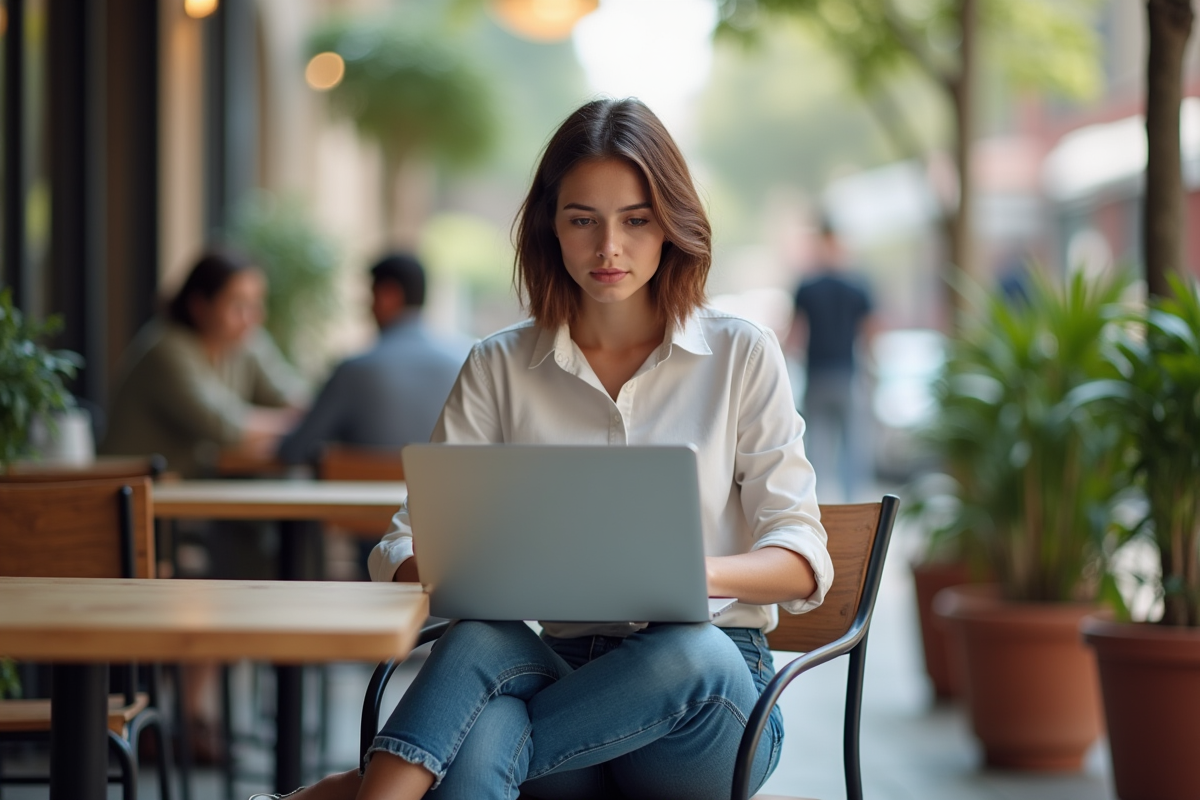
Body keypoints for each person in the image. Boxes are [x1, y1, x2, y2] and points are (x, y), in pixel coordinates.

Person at [259, 98, 832, 800]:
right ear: (550, 227)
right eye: (582, 220)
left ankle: (369, 784)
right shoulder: (498, 365)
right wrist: (474, 570)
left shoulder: (743, 353)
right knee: (477, 639)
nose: (608, 248)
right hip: (562, 677)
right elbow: (404, 543)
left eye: (636, 220)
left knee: (689, 650)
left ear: (671, 224)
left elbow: (802, 557)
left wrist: (689, 573)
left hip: (706, 712)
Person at [101, 247, 308, 477]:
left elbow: (285, 392)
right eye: (238, 305)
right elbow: (224, 427)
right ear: (199, 306)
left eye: (256, 304)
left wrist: (310, 414)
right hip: (136, 489)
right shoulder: (167, 350)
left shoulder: (247, 342)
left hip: (188, 485)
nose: (251, 318)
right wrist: (300, 424)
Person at [277, 253, 470, 466]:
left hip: (363, 488)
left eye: (371, 296)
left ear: (389, 296)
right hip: (447, 488)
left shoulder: (353, 371)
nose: (367, 308)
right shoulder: (466, 363)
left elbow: (294, 450)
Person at [788, 219, 876, 503]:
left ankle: (813, 505)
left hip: (817, 376)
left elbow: (794, 335)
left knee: (816, 446)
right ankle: (853, 506)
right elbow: (870, 334)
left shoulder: (807, 287)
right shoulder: (857, 286)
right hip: (845, 375)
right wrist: (871, 372)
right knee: (851, 446)